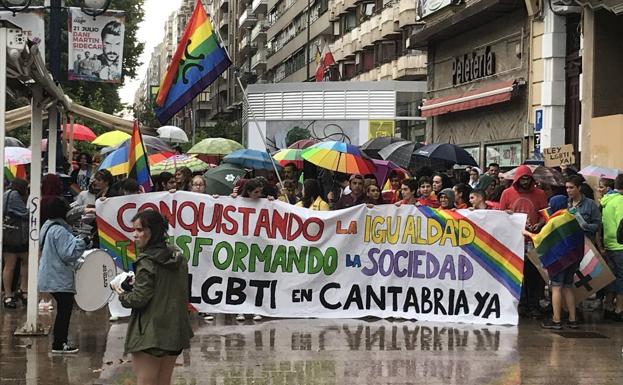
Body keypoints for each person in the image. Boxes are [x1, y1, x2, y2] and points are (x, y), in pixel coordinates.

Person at [116, 210, 193, 384]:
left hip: (150, 333)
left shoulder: (147, 261)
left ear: (154, 231)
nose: (135, 235)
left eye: (140, 230)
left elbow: (139, 299)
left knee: (146, 381)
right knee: (164, 380)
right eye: (134, 230)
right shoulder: (177, 257)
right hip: (174, 330)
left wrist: (122, 294)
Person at [38, 196, 87, 353]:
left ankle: (59, 341)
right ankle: (59, 343)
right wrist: (82, 241)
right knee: (65, 309)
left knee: (63, 308)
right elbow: (68, 253)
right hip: (58, 276)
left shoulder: (48, 227)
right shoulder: (59, 230)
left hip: (50, 275)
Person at [525, 195, 582, 330]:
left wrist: (526, 233)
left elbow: (539, 238)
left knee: (556, 288)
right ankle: (572, 319)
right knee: (568, 287)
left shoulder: (554, 221)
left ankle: (556, 320)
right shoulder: (572, 217)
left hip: (558, 260)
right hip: (573, 259)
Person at [498, 165, 548, 317]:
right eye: (522, 179)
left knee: (534, 274)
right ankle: (521, 303)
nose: (525, 182)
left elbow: (544, 214)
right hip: (514, 240)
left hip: (533, 240)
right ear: (517, 180)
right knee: (517, 274)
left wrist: (539, 224)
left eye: (528, 179)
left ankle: (533, 304)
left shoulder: (540, 194)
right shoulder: (507, 193)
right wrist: (507, 214)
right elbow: (500, 215)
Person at [2, 179, 29, 309]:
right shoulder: (14, 196)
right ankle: (20, 291)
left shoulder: (6, 194)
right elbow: (25, 213)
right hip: (18, 236)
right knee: (23, 262)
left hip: (8, 234)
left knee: (10, 265)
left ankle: (9, 294)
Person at [600, 174, 623, 321]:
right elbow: (622, 223)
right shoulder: (620, 201)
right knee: (621, 277)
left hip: (609, 244)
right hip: (620, 245)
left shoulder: (607, 200)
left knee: (612, 277)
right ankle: (620, 308)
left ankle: (608, 305)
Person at [566, 175, 601, 243]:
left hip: (587, 243)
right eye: (566, 188)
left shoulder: (590, 204)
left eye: (571, 187)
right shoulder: (566, 204)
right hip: (571, 244)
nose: (568, 190)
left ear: (579, 188)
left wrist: (586, 226)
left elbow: (598, 225)